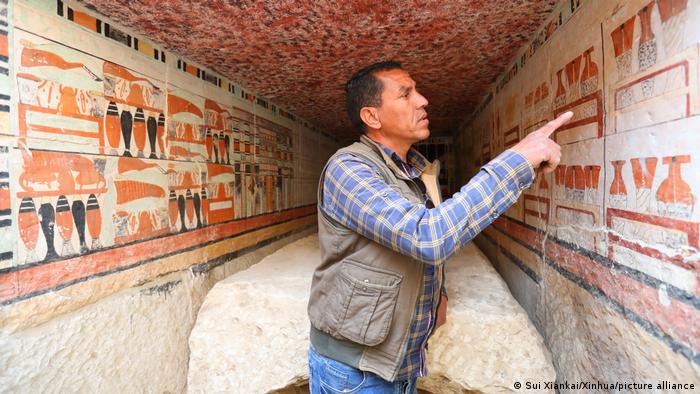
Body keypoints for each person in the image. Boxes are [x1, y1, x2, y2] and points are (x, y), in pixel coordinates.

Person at [307, 60, 572, 393]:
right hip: (355, 372)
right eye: (406, 94)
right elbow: (428, 236)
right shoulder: (348, 169)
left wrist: (436, 293)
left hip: (400, 363)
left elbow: (430, 236)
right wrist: (516, 160)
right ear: (371, 116)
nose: (423, 100)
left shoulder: (414, 169)